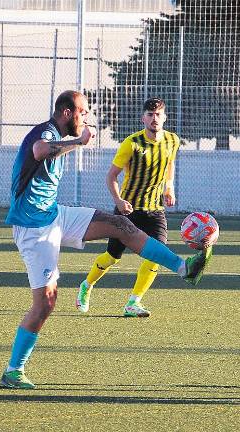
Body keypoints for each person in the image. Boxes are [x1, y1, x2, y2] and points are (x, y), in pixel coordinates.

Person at [0, 90, 213, 389]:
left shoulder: (58, 134)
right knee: (46, 303)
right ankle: (13, 370)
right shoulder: (46, 132)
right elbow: (38, 150)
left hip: (52, 215)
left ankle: (184, 268)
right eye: (82, 112)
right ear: (66, 113)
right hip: (33, 229)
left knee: (119, 224)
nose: (86, 116)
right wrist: (77, 142)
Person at [77, 97, 184, 318]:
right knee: (112, 256)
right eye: (150, 114)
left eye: (158, 115)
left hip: (155, 210)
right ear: (143, 117)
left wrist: (169, 188)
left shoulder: (173, 141)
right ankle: (87, 285)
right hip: (128, 211)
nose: (154, 118)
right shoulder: (131, 144)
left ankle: (133, 302)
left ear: (165, 117)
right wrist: (118, 201)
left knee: (157, 255)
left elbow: (170, 164)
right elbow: (111, 176)